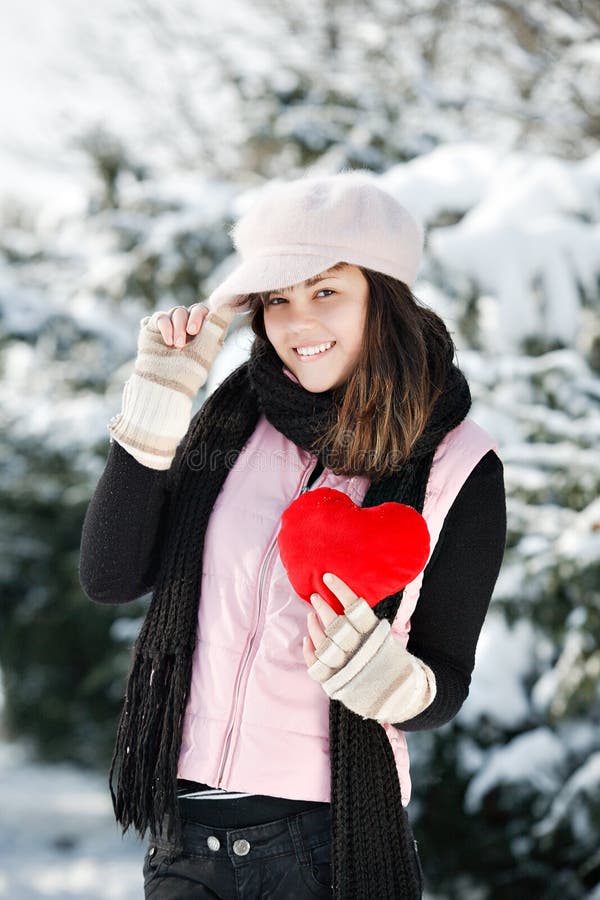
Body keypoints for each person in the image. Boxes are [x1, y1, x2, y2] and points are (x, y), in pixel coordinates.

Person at [79, 171, 507, 900]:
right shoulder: (231, 422)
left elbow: (447, 680)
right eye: (278, 298)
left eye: (326, 291)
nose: (298, 323)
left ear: (384, 296)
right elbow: (112, 575)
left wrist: (398, 687)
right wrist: (156, 401)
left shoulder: (460, 463)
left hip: (322, 845)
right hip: (183, 838)